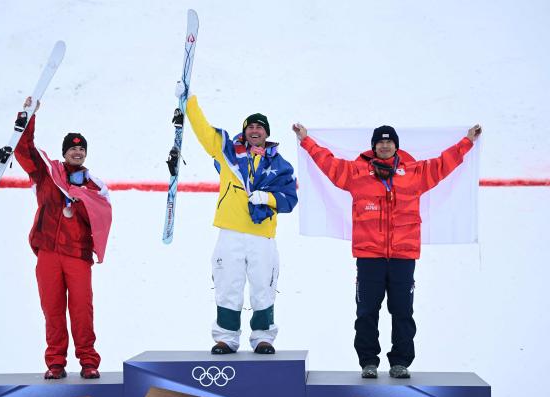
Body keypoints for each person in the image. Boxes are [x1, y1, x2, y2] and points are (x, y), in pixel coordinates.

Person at [293, 122, 482, 378]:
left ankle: (400, 362)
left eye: (389, 142)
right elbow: (329, 163)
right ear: (373, 146)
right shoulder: (356, 173)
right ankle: (368, 361)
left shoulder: (415, 173)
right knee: (367, 311)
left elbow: (442, 164)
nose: (384, 145)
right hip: (369, 256)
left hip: (403, 256)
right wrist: (306, 141)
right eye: (380, 142)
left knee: (403, 311)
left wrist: (467, 142)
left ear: (396, 146)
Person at [174, 84, 298, 355]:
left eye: (260, 127)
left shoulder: (280, 165)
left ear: (267, 133)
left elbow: (290, 198)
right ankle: (226, 338)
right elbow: (204, 131)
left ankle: (263, 337)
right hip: (230, 232)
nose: (255, 131)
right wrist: (189, 100)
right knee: (227, 284)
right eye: (250, 127)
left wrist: (268, 199)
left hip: (262, 235)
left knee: (263, 286)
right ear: (245, 131)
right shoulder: (228, 153)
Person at [14, 97, 112, 379]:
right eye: (73, 149)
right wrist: (28, 116)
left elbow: (101, 217)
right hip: (48, 252)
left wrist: (79, 198)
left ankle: (88, 362)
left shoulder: (94, 186)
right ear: (65, 152)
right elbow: (25, 151)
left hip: (77, 255)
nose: (77, 153)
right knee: (52, 310)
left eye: (81, 149)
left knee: (82, 310)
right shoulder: (47, 174)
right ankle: (55, 363)